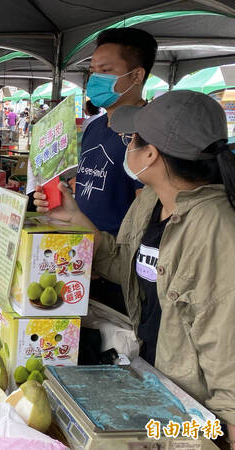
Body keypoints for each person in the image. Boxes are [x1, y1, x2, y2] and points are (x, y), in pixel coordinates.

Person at [34, 90, 235, 446]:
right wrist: (74, 217)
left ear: (151, 154)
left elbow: (224, 339)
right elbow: (121, 263)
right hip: (155, 382)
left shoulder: (215, 227)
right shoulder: (153, 203)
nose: (126, 146)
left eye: (131, 140)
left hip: (196, 410)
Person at [75, 27, 157, 314]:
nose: (95, 78)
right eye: (92, 70)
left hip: (119, 278)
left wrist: (107, 260)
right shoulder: (94, 127)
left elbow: (150, 217)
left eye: (106, 70)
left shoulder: (147, 135)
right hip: (81, 262)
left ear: (137, 75)